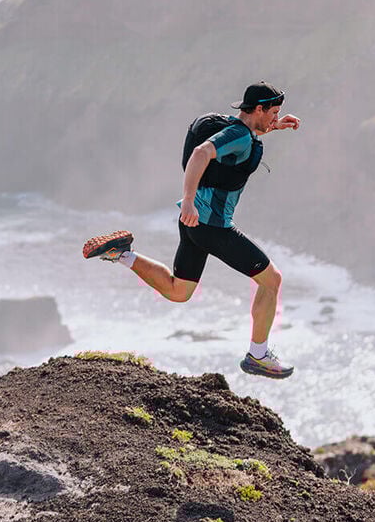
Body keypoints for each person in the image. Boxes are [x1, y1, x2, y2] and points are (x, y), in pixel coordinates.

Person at [83, 81, 301, 379]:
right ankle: (258, 355)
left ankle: (121, 254)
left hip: (194, 224)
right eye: (273, 112)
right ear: (258, 109)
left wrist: (275, 128)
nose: (276, 117)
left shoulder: (239, 131)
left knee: (179, 291)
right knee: (271, 280)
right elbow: (201, 153)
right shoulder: (238, 135)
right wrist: (188, 201)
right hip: (211, 226)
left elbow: (239, 143)